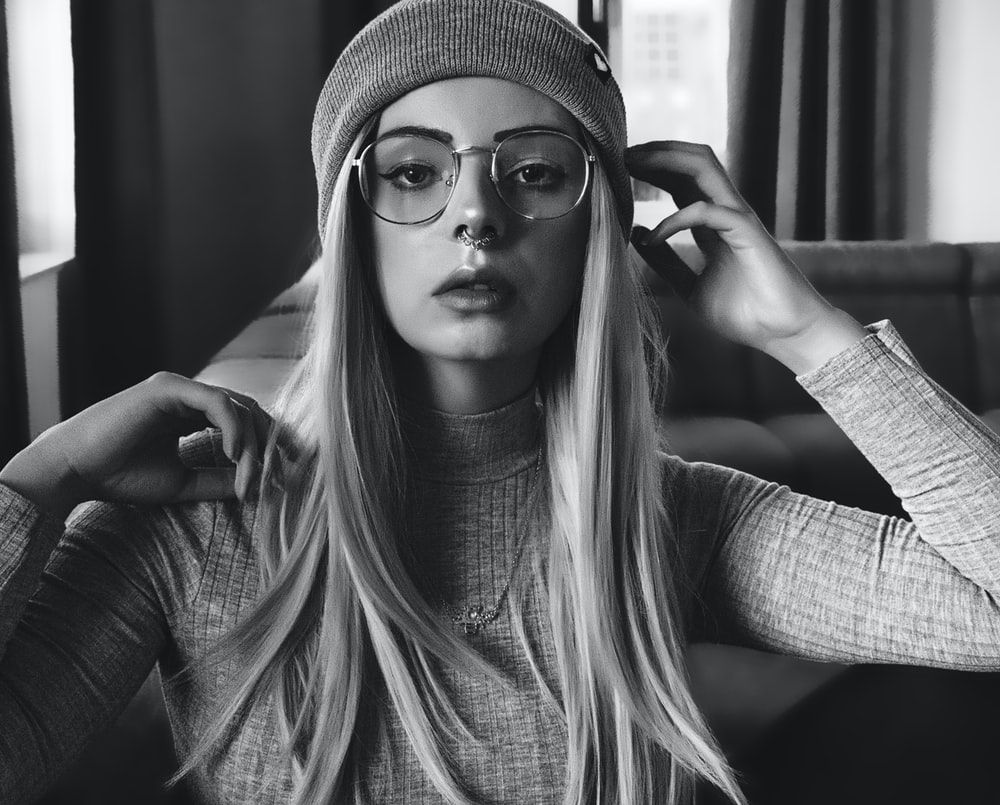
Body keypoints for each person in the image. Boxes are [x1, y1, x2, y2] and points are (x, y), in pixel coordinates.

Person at [2, 0, 999, 803]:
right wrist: (36, 482)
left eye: (532, 172)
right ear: (353, 226)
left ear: (596, 231)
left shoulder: (672, 520)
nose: (477, 215)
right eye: (412, 172)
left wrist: (807, 335)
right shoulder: (188, 525)